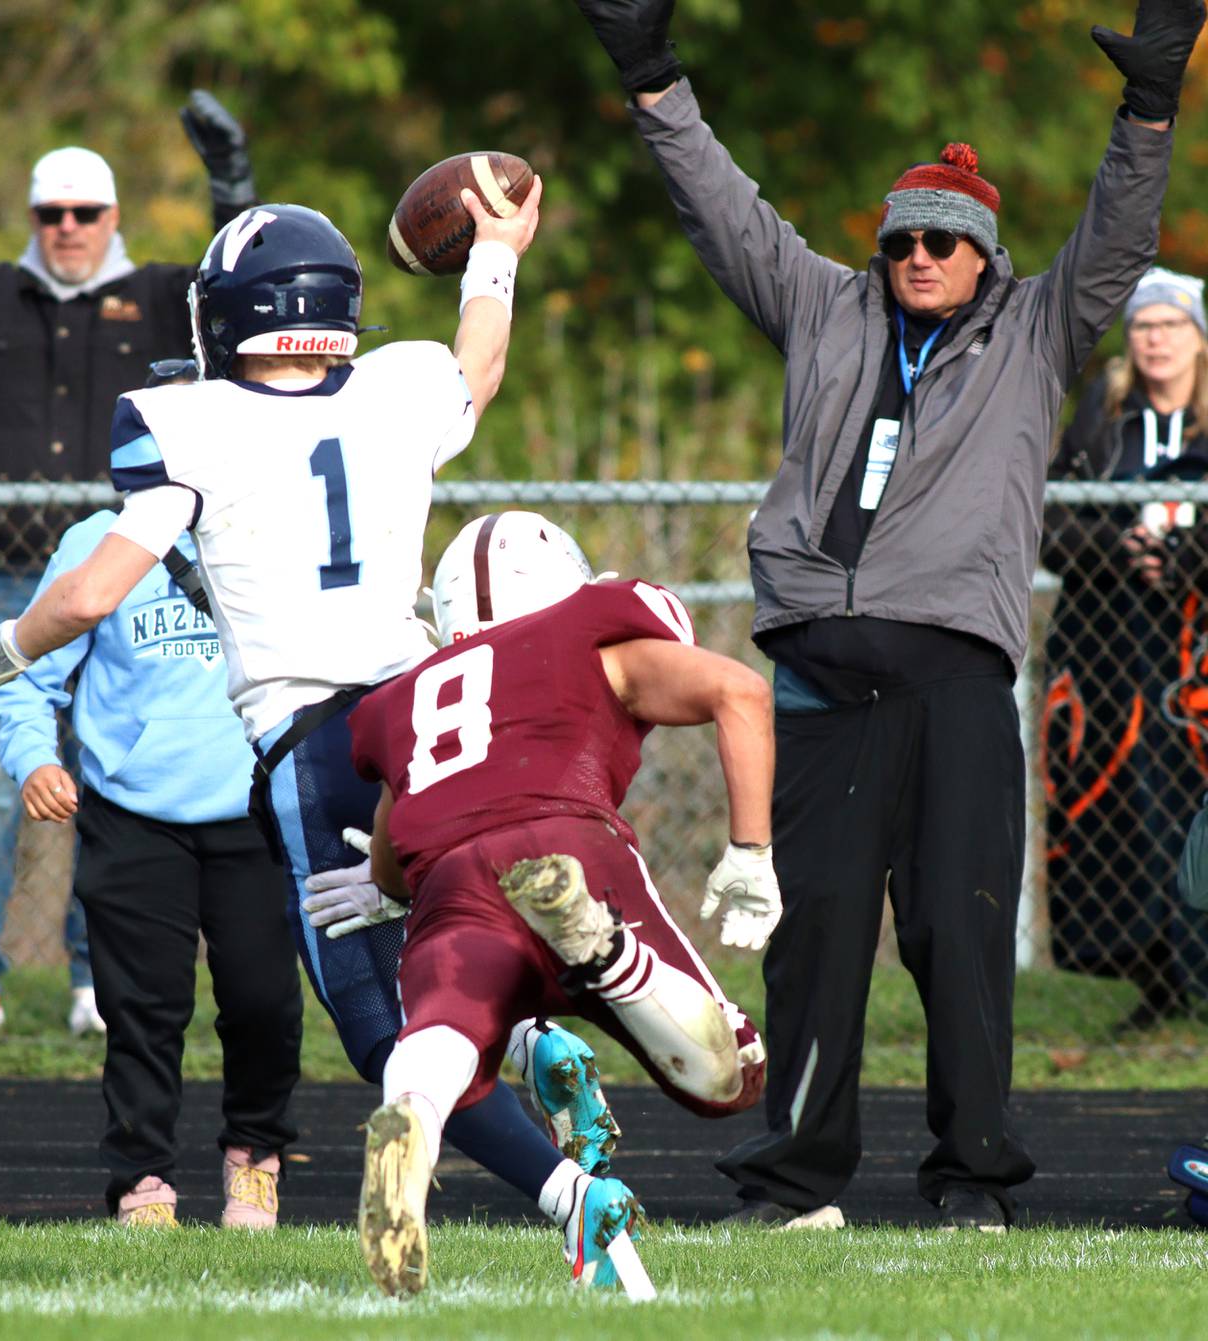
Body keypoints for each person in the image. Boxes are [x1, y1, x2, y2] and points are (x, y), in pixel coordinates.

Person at [573, 0, 1203, 1230]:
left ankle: (971, 1180)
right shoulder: (821, 308)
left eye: (945, 241)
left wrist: (1150, 107)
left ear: (985, 258)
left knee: (960, 942)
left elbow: (1118, 237)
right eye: (905, 237)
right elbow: (722, 208)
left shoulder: (1037, 329)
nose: (920, 255)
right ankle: (797, 1178)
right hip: (820, 680)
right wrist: (653, 76)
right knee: (811, 949)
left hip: (954, 683)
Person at [0, 189, 642, 1277]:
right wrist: (496, 252)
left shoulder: (191, 423)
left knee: (379, 1029)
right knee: (443, 937)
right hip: (426, 723)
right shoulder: (400, 388)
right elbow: (481, 359)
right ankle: (542, 1036)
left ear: (228, 315)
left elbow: (87, 599)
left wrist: (2, 652)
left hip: (314, 746)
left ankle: (571, 1197)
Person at [0, 87, 258, 1043]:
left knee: (109, 780)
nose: (68, 228)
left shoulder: (164, 300)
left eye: (85, 212)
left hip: (131, 576)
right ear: (34, 218)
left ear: (113, 216)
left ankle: (93, 977)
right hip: (9, 578)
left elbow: (237, 287)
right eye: (51, 212)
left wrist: (232, 187)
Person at [346, 510, 772, 1298]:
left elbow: (392, 865)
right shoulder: (590, 627)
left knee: (445, 1047)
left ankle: (409, 1117)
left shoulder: (405, 696)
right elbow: (739, 690)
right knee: (731, 1078)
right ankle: (605, 953)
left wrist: (380, 886)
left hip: (449, 877)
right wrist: (751, 851)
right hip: (564, 845)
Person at [0, 362, 301, 1230]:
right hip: (132, 817)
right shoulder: (94, 542)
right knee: (142, 1010)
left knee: (263, 1000)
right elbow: (23, 673)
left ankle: (256, 1155)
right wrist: (32, 762)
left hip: (256, 810)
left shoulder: (269, 528)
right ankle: (142, 1181)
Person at [1042, 266, 1208, 1033]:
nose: (1155, 339)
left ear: (1198, 337)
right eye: (1143, 325)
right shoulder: (1103, 421)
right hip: (1108, 646)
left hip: (1191, 649)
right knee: (1118, 813)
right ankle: (1155, 977)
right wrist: (1123, 549)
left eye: (1171, 324)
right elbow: (1049, 523)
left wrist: (1184, 555)